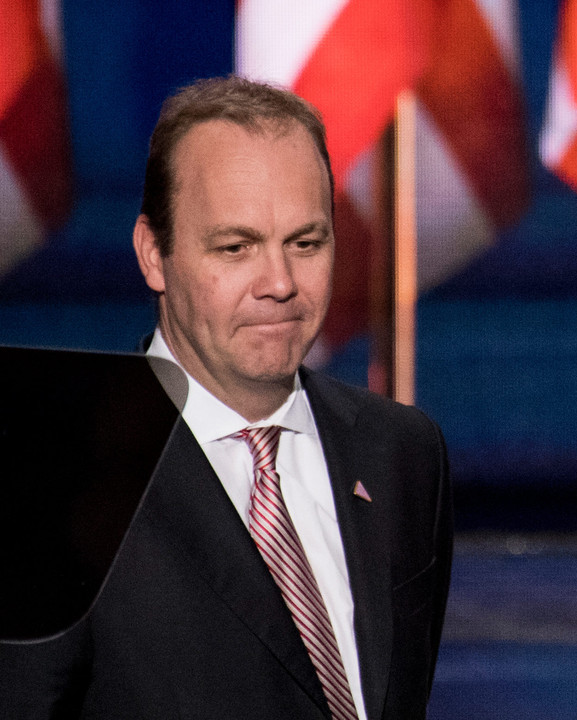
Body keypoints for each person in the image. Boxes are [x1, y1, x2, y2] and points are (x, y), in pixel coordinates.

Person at [0, 76, 452, 719]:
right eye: (236, 247)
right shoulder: (51, 477)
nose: (280, 283)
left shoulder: (402, 453)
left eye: (306, 242)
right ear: (153, 254)